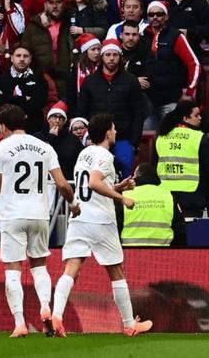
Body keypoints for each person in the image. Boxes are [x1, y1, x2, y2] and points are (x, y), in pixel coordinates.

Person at [0, 104, 81, 338]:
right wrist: (73, 204)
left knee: (13, 269)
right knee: (39, 267)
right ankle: (45, 307)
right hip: (39, 214)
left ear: (3, 126)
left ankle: (20, 323)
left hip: (13, 215)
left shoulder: (0, 148)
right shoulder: (45, 147)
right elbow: (62, 184)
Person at [52, 113, 152, 337]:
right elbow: (94, 183)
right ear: (107, 133)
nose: (115, 132)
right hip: (101, 220)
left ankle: (57, 315)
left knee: (71, 269)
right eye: (113, 128)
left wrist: (118, 187)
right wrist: (122, 198)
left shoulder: (84, 153)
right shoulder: (105, 155)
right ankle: (129, 324)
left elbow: (90, 188)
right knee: (116, 271)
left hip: (79, 217)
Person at [77, 38, 146, 177]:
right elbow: (82, 111)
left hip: (123, 139)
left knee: (125, 179)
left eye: (115, 55)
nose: (111, 58)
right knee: (97, 178)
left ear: (120, 57)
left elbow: (139, 112)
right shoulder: (90, 81)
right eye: (108, 55)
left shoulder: (131, 81)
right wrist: (87, 136)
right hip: (97, 140)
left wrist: (134, 142)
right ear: (102, 57)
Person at [142, 0, 200, 128]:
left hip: (170, 100)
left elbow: (194, 64)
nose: (155, 17)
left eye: (159, 14)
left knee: (171, 137)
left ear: (166, 16)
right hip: (147, 102)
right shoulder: (142, 36)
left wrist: (189, 92)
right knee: (145, 137)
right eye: (151, 14)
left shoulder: (176, 36)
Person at [155, 101, 209, 218]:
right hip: (192, 198)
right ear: (185, 119)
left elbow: (154, 166)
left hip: (165, 196)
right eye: (196, 115)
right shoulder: (199, 138)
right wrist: (207, 191)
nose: (200, 118)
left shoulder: (161, 137)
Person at [122, 162, 186, 246]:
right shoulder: (169, 195)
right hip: (162, 251)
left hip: (130, 251)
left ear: (137, 176)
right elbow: (179, 230)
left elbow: (115, 226)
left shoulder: (124, 195)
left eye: (134, 175)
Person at [0, 44, 48, 134]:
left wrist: (9, 98)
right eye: (18, 55)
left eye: (25, 56)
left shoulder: (39, 80)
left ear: (30, 59)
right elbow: (0, 102)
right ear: (12, 58)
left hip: (33, 129)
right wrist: (25, 99)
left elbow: (37, 105)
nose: (22, 59)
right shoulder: (0, 79)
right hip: (6, 129)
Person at [34, 101, 83, 178]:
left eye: (60, 118)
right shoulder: (38, 137)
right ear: (48, 119)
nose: (57, 120)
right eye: (54, 117)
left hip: (67, 179)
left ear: (64, 122)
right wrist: (51, 137)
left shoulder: (73, 140)